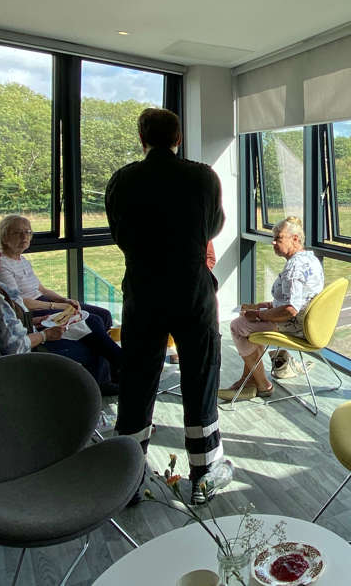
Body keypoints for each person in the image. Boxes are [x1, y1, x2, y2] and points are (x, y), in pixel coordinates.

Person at [105, 107, 229, 503]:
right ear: (178, 138)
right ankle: (204, 474)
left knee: (138, 380)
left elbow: (118, 231)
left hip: (143, 292)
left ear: (142, 139)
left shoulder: (124, 180)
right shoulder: (202, 177)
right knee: (200, 378)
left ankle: (129, 477)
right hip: (192, 293)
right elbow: (213, 227)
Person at [0, 214, 123, 395]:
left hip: (43, 302)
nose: (24, 237)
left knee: (104, 315)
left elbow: (42, 289)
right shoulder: (2, 265)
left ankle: (109, 370)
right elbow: (20, 303)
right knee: (93, 321)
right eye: (18, 233)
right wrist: (57, 307)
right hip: (30, 312)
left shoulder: (21, 260)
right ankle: (116, 368)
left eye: (28, 232)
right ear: (4, 236)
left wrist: (64, 300)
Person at [220, 216, 324, 401]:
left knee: (237, 326)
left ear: (295, 239)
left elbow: (291, 309)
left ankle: (263, 384)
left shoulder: (294, 268)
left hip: (294, 326)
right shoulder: (310, 259)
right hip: (308, 323)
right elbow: (294, 300)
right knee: (248, 325)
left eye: (279, 238)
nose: (273, 242)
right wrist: (263, 306)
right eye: (273, 238)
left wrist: (259, 315)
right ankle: (248, 379)